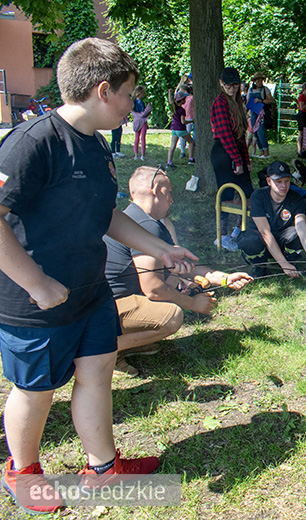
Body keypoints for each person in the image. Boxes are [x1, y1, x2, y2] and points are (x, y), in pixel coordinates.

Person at [0, 38, 198, 514]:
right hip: (35, 300)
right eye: (130, 95)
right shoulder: (32, 142)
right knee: (36, 389)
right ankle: (22, 472)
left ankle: (103, 469)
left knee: (97, 374)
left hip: (90, 290)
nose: (134, 106)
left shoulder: (95, 145)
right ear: (104, 91)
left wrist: (160, 248)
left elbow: (104, 212)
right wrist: (36, 283)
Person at [104, 166, 252, 376]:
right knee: (172, 316)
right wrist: (193, 304)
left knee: (172, 285)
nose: (172, 199)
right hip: (108, 309)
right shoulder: (146, 225)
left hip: (113, 304)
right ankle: (106, 351)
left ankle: (127, 343)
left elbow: (182, 266)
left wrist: (225, 279)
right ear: (156, 190)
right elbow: (154, 289)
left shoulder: (139, 219)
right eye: (169, 192)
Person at [237, 161, 306, 278]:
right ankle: (260, 265)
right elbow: (265, 233)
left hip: (282, 237)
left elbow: (301, 224)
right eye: (278, 182)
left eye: (286, 181)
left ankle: (291, 261)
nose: (284, 186)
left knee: (295, 234)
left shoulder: (296, 198)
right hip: (260, 239)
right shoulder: (258, 197)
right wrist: (283, 264)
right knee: (249, 241)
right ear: (268, 181)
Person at [211, 67, 252, 250]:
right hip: (222, 153)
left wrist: (246, 161)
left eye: (235, 84)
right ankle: (222, 236)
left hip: (236, 151)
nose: (231, 87)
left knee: (247, 193)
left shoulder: (237, 102)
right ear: (221, 83)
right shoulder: (220, 103)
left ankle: (238, 231)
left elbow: (240, 136)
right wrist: (236, 160)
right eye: (228, 83)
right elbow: (225, 134)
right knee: (226, 194)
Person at [248, 72, 273, 158]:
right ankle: (261, 151)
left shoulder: (265, 89)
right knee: (255, 134)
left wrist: (261, 101)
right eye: (257, 80)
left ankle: (266, 151)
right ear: (254, 81)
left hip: (262, 114)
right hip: (253, 114)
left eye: (261, 80)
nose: (259, 82)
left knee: (261, 132)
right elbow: (248, 102)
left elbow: (271, 100)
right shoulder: (250, 90)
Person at [167, 90, 194, 168]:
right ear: (181, 100)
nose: (185, 100)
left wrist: (169, 93)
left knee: (173, 145)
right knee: (191, 142)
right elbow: (183, 122)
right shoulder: (182, 110)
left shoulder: (173, 108)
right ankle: (191, 159)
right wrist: (192, 121)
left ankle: (169, 162)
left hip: (174, 129)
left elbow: (170, 101)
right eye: (184, 98)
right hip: (181, 129)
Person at [131, 84, 151, 161]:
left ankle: (136, 154)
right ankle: (143, 154)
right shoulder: (141, 102)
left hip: (136, 121)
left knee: (136, 138)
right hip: (142, 122)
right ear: (141, 93)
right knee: (143, 138)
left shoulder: (133, 102)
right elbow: (144, 112)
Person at [296, 82, 306, 157]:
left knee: (305, 132)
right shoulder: (301, 96)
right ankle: (299, 150)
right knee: (301, 133)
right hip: (302, 114)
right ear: (304, 89)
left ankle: (303, 149)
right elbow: (302, 107)